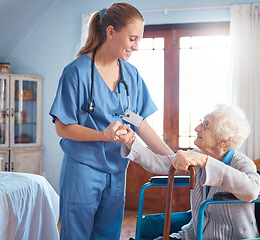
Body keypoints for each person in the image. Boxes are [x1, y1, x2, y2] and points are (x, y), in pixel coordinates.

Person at [49, 3, 173, 239]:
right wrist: (103, 135)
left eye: (140, 40)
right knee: (77, 235)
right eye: (132, 38)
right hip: (82, 171)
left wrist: (172, 158)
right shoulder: (76, 72)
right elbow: (61, 127)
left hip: (117, 171)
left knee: (108, 236)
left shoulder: (131, 75)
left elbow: (139, 122)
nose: (136, 46)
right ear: (111, 32)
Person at [119, 104, 260, 240]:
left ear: (224, 141)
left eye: (205, 125)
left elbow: (251, 191)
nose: (196, 128)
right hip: (192, 235)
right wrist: (131, 141)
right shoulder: (197, 155)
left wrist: (205, 161)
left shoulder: (241, 163)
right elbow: (158, 162)